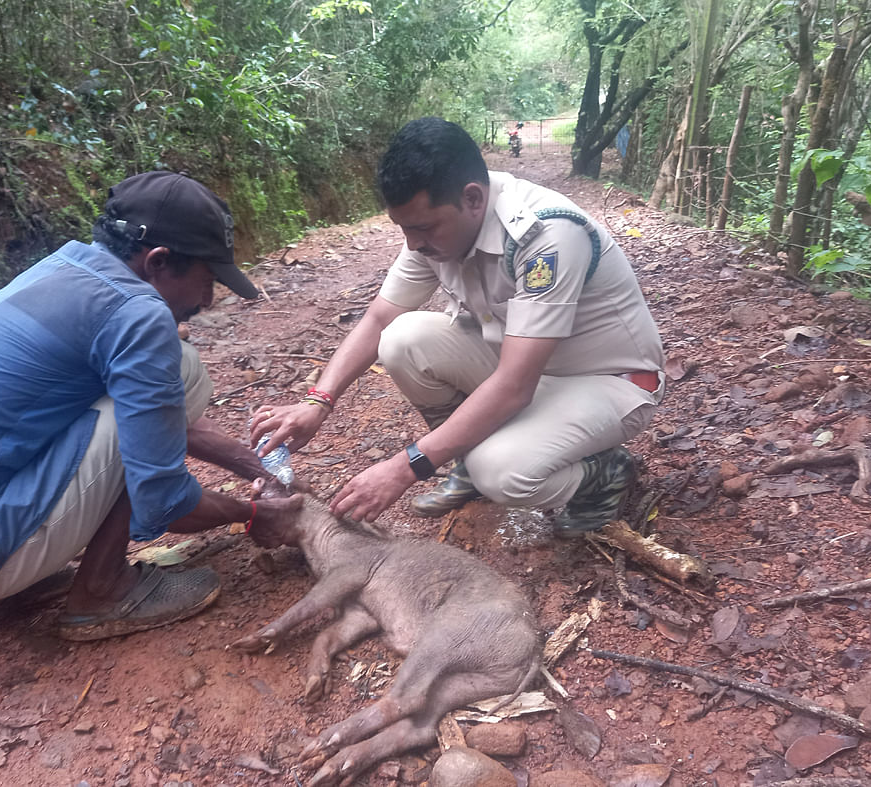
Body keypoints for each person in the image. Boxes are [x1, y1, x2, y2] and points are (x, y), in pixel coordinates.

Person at [0, 171, 304, 641]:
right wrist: (252, 514)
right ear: (158, 262)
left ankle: (0, 590)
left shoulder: (64, 268)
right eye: (206, 281)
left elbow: (153, 423)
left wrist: (256, 466)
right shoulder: (138, 315)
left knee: (145, 396)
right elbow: (163, 499)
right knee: (180, 368)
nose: (206, 300)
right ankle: (103, 591)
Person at [252, 117, 663, 536]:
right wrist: (318, 400)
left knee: (502, 471)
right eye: (404, 229)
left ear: (472, 199)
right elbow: (379, 318)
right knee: (401, 339)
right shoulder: (435, 233)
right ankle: (468, 460)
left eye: (424, 228)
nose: (413, 244)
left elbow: (514, 385)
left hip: (608, 381)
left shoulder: (546, 236)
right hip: (526, 368)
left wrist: (404, 467)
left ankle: (603, 474)